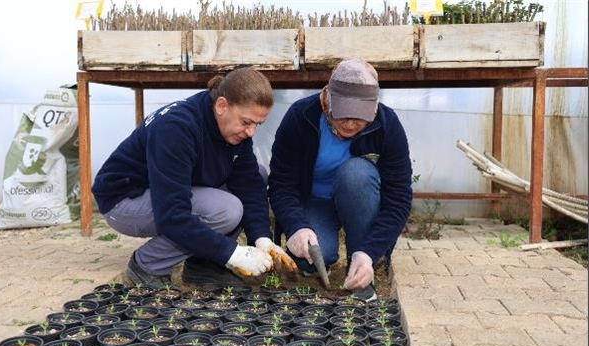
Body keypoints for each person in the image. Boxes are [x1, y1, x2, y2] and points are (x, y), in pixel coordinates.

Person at [92, 67, 296, 289]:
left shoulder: (234, 128)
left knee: (257, 173)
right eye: (247, 122)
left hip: (162, 196)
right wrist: (231, 253)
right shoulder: (177, 128)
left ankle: (204, 266)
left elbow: (248, 183)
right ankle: (147, 265)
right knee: (227, 210)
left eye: (258, 124)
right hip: (124, 201)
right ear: (221, 106)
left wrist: (261, 238)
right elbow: (171, 215)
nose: (251, 133)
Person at [268, 58, 413, 300]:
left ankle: (360, 264)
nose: (350, 123)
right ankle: (322, 247)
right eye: (343, 115)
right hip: (316, 200)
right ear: (328, 101)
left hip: (359, 198)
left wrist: (368, 252)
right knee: (313, 258)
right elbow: (282, 183)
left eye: (359, 117)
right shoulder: (300, 117)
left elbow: (399, 198)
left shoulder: (387, 125)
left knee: (355, 173)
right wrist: (296, 227)